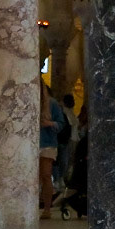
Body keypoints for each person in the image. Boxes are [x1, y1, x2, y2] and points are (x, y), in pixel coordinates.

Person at [39, 84, 65, 216]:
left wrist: (49, 123)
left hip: (47, 143)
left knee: (45, 174)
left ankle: (47, 208)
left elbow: (61, 123)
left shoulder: (52, 104)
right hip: (32, 144)